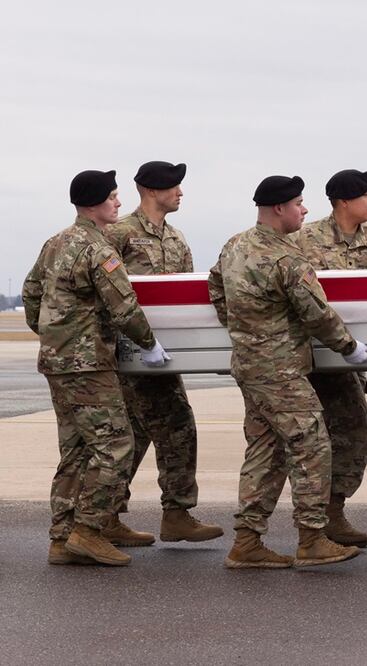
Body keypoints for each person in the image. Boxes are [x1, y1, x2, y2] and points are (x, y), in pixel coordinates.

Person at [207, 175, 367, 568]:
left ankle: (247, 542)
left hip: (249, 364)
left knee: (266, 451)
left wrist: (244, 328)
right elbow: (317, 314)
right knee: (312, 444)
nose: (305, 209)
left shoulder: (235, 245)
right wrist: (350, 348)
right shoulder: (287, 258)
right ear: (279, 208)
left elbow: (215, 286)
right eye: (299, 203)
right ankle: (312, 538)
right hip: (280, 370)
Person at [22, 169, 169, 566]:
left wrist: (52, 333)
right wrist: (149, 343)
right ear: (95, 203)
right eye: (113, 197)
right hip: (89, 365)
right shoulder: (99, 249)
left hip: (57, 362)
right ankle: (88, 531)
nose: (119, 203)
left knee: (76, 450)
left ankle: (61, 538)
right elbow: (124, 306)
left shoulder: (56, 243)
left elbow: (31, 292)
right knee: (117, 445)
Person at [105, 160, 223, 545]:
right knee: (161, 429)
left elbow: (186, 297)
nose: (180, 192)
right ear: (152, 190)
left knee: (152, 432)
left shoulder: (176, 238)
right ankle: (152, 514)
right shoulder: (118, 235)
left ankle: (145, 514)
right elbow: (104, 291)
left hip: (164, 356)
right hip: (128, 354)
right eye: (174, 185)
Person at [292, 168, 367, 548]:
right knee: (306, 440)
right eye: (366, 195)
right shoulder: (305, 240)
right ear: (343, 201)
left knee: (353, 431)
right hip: (310, 356)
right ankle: (310, 522)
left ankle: (332, 512)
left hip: (353, 358)